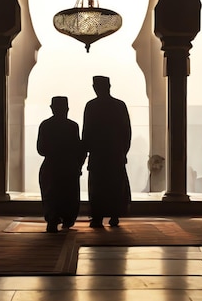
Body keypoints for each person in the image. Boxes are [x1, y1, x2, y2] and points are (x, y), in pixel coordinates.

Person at [82, 75, 132, 228]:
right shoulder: (119, 106)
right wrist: (123, 151)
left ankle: (97, 217)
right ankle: (114, 215)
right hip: (115, 154)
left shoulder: (91, 106)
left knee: (98, 187)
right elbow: (126, 132)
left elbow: (87, 132)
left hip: (98, 155)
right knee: (115, 186)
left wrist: (85, 151)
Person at [37, 96, 86, 233]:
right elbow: (78, 148)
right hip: (68, 166)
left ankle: (52, 219)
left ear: (52, 108)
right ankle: (67, 219)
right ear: (67, 109)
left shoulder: (46, 125)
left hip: (51, 166)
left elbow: (41, 149)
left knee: (51, 195)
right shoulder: (72, 126)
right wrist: (78, 165)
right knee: (68, 195)